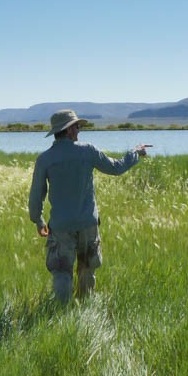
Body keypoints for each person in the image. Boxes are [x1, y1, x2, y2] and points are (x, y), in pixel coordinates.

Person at [28, 109, 148, 303]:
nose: (79, 130)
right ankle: (85, 309)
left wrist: (38, 220)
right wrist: (136, 152)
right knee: (87, 268)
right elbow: (116, 168)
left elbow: (36, 197)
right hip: (87, 224)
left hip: (60, 226)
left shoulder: (45, 159)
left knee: (61, 271)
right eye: (76, 126)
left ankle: (62, 312)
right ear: (68, 131)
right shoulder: (87, 151)